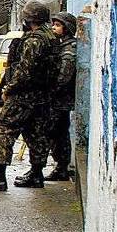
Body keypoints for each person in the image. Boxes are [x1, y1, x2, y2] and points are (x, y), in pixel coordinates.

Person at [0, 0, 56, 191]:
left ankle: (0, 177)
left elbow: (25, 71)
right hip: (42, 96)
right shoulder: (51, 37)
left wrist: (9, 88)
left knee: (3, 129)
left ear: (29, 19)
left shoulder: (34, 40)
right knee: (36, 134)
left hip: (24, 95)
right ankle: (36, 175)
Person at [44, 12, 77, 181]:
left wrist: (50, 89)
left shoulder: (69, 49)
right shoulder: (61, 45)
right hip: (58, 99)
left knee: (58, 133)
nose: (53, 28)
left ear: (66, 28)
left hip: (61, 99)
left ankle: (61, 167)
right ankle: (60, 166)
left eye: (57, 25)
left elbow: (64, 76)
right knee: (56, 133)